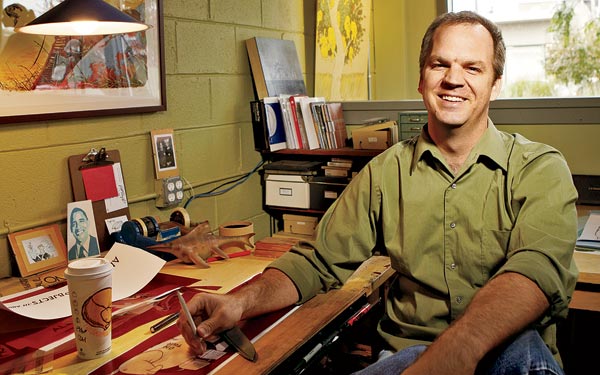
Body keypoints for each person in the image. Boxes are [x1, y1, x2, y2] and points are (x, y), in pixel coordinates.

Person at [178, 11, 578, 374]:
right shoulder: (384, 172)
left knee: (526, 354)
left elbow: (535, 272)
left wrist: (452, 356)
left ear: (495, 84)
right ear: (422, 78)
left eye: (472, 67)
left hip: (509, 356)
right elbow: (318, 261)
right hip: (408, 356)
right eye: (440, 64)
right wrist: (241, 302)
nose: (453, 78)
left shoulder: (538, 168)